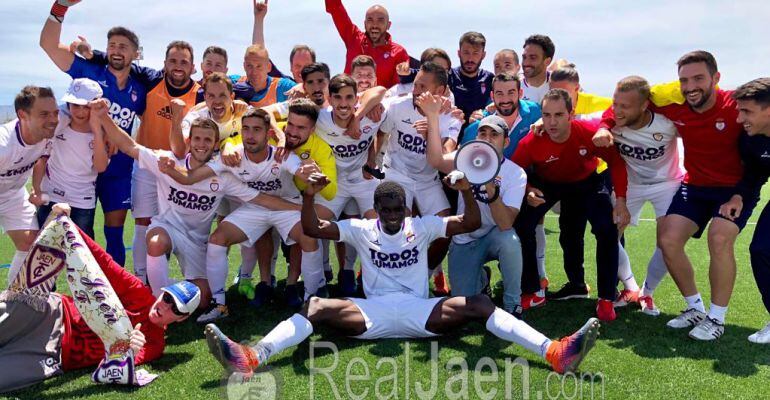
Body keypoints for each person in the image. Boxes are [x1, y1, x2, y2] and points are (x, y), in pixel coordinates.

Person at [204, 179, 601, 377]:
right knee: (316, 306)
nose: (393, 214)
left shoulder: (423, 225)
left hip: (421, 311)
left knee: (480, 302)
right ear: (376, 208)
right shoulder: (361, 228)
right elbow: (313, 229)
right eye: (386, 209)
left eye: (398, 208)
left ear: (405, 208)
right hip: (370, 313)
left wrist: (464, 191)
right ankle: (253, 357)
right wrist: (308, 196)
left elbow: (470, 222)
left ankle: (554, 352)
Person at [597, 51, 749, 340]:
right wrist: (605, 126)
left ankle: (711, 317)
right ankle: (692, 307)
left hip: (721, 189)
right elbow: (616, 109)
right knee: (662, 239)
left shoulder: (735, 105)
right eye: (684, 80)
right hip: (691, 186)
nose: (690, 86)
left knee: (716, 239)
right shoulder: (675, 111)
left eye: (698, 78)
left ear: (716, 78)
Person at [89, 99, 295, 305]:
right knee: (155, 242)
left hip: (197, 241)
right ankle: (157, 301)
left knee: (204, 299)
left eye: (207, 140)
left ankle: (172, 288)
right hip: (167, 228)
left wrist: (299, 208)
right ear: (189, 141)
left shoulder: (222, 176)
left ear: (216, 144)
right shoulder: (167, 160)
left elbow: (261, 199)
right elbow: (129, 145)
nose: (201, 144)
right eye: (197, 139)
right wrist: (103, 116)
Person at [0, 203, 199, 393]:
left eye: (175, 308)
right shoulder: (140, 293)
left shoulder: (154, 344)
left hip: (55, 352)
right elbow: (104, 263)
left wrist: (131, 350)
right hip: (50, 313)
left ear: (181, 318)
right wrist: (68, 225)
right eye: (167, 298)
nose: (165, 306)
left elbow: (119, 364)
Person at [159, 108, 324, 322]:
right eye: (246, 129)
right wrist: (170, 169)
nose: (250, 135)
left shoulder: (282, 155)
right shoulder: (232, 156)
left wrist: (311, 173)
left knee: (309, 237)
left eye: (257, 130)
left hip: (287, 206)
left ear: (269, 134)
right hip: (255, 207)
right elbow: (190, 178)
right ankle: (220, 305)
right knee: (217, 239)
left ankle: (313, 302)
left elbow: (300, 170)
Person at [40, 1, 146, 266]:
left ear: (135, 53)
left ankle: (114, 293)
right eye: (112, 45)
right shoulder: (88, 71)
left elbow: (151, 120)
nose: (116, 50)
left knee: (114, 234)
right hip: (77, 173)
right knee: (67, 238)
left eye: (123, 46)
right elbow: (49, 46)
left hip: (118, 170)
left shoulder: (142, 87)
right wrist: (60, 7)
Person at [512, 89, 630, 321]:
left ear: (571, 114)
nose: (552, 122)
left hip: (586, 182)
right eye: (547, 115)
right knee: (522, 225)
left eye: (558, 115)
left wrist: (621, 202)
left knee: (606, 229)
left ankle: (606, 298)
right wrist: (528, 190)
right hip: (549, 183)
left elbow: (616, 163)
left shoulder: (587, 132)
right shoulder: (532, 141)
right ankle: (533, 290)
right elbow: (515, 171)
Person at [221, 98, 338, 307]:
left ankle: (295, 285)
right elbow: (238, 137)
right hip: (260, 200)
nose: (292, 131)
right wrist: (227, 146)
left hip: (295, 200)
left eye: (301, 128)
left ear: (312, 129)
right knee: (262, 229)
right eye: (290, 124)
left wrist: (316, 173)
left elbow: (330, 193)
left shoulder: (320, 148)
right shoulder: (273, 133)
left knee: (306, 231)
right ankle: (265, 282)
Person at [425, 87, 528, 317]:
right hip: (466, 239)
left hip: (494, 235)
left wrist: (490, 185)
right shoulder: (464, 156)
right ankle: (482, 279)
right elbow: (435, 159)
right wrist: (432, 116)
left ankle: (513, 302)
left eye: (494, 135)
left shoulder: (516, 173)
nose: (488, 139)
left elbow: (505, 224)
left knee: (510, 240)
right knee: (461, 302)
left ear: (506, 141)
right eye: (483, 134)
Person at [592, 76, 683, 315]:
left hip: (667, 182)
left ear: (644, 106)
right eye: (615, 104)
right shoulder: (610, 123)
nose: (618, 111)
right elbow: (580, 120)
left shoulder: (666, 123)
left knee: (667, 242)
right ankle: (630, 287)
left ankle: (647, 292)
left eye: (625, 106)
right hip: (631, 184)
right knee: (608, 233)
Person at [373, 61, 461, 293]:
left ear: (440, 92)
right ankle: (387, 283)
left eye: (423, 86)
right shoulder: (397, 106)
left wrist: (430, 131)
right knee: (402, 228)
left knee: (446, 229)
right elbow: (381, 133)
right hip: (397, 174)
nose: (415, 90)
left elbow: (444, 156)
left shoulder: (451, 116)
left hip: (427, 180)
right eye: (415, 84)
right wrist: (369, 162)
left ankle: (423, 275)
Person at [313, 74, 387, 295]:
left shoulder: (373, 114)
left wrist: (358, 116)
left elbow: (381, 89)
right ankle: (316, 283)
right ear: (329, 98)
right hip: (333, 180)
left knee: (379, 228)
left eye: (349, 98)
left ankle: (371, 280)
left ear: (357, 98)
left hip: (363, 179)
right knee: (312, 225)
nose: (343, 104)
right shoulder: (320, 118)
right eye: (338, 98)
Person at [718, 77, 770, 343]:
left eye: (746, 111)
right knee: (761, 249)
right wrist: (738, 196)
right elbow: (754, 173)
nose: (739, 119)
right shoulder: (751, 140)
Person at [32, 78, 109, 239]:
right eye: (75, 105)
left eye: (86, 107)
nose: (80, 112)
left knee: (82, 253)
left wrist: (96, 131)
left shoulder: (103, 131)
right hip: (51, 196)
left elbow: (100, 167)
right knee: (43, 250)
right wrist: (37, 189)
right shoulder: (58, 124)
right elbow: (42, 157)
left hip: (82, 201)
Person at [1, 86, 57, 286]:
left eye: (55, 113)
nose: (53, 120)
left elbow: (41, 160)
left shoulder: (48, 135)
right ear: (22, 115)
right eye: (44, 114)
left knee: (32, 244)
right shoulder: (4, 144)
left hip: (12, 195)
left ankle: (13, 300)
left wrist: (37, 188)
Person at [324, 0, 409, 88]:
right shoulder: (354, 38)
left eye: (380, 20)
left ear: (388, 25)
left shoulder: (399, 52)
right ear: (364, 24)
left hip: (381, 101)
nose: (374, 25)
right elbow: (336, 9)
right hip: (347, 100)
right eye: (370, 20)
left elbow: (400, 88)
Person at [450, 32, 495, 129]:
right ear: (459, 53)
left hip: (478, 136)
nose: (470, 59)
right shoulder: (449, 76)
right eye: (466, 52)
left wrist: (483, 113)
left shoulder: (490, 79)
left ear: (483, 55)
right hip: (449, 136)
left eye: (475, 53)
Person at [520, 35, 555, 103]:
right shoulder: (514, 87)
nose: (526, 63)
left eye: (533, 58)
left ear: (547, 61)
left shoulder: (559, 84)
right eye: (524, 57)